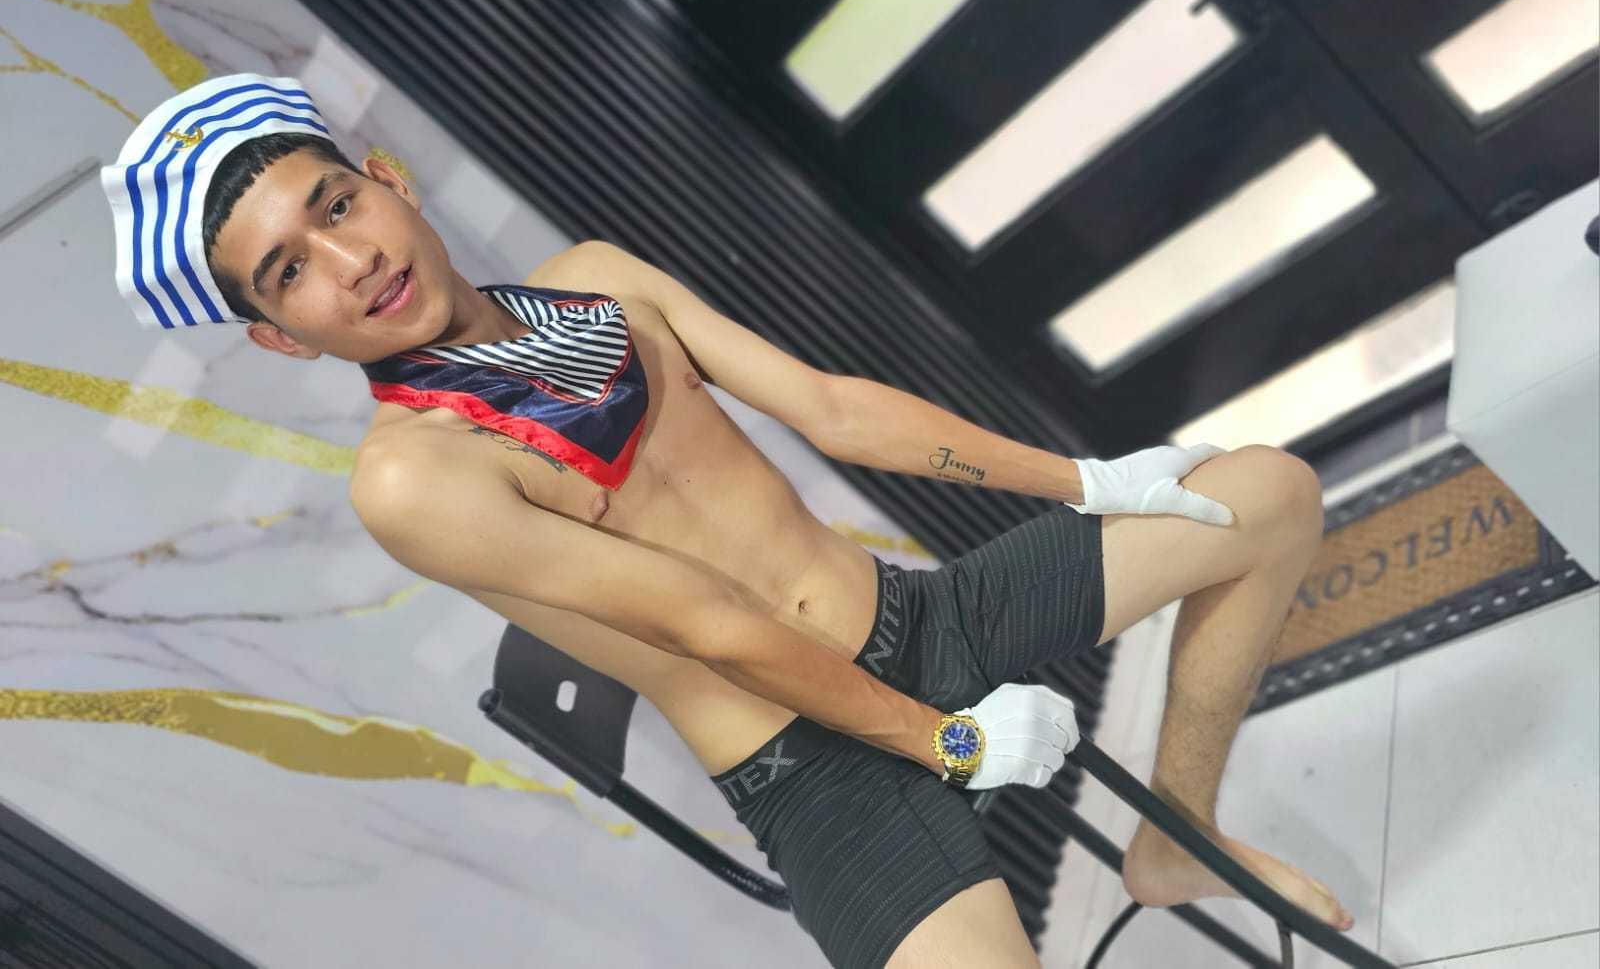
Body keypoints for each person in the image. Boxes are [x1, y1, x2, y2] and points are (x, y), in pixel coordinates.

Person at [103, 74, 1354, 968]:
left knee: (1267, 493)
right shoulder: (410, 479)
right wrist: (951, 744)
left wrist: (1085, 479)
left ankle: (1175, 838)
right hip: (814, 770)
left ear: (386, 180)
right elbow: (703, 620)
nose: (347, 262)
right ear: (280, 336)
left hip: (922, 619)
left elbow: (833, 409)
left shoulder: (595, 275)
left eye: (333, 206)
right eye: (288, 272)